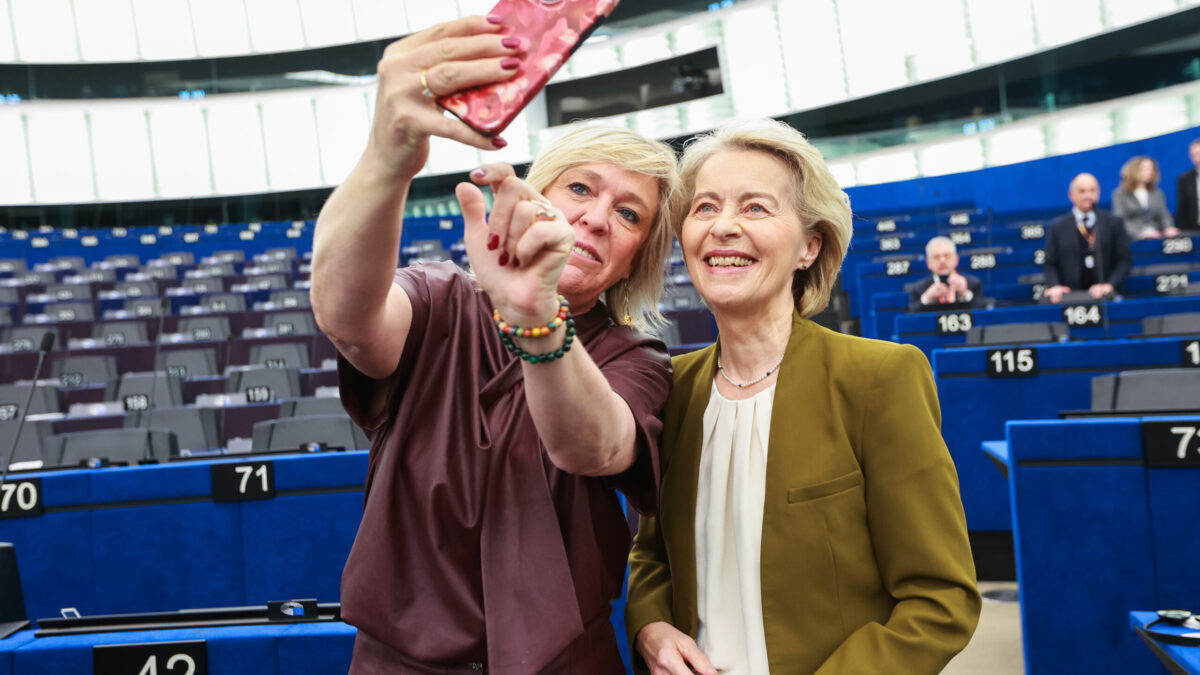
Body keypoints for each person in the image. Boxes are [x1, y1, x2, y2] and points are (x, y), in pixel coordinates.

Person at [309, 15, 684, 673]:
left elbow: (593, 445)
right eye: (580, 188)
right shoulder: (439, 298)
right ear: (535, 196)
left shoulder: (635, 356)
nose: (597, 218)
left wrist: (535, 315)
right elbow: (349, 320)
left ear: (635, 261)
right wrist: (388, 158)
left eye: (629, 214)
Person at [625, 119, 981, 675]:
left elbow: (940, 600)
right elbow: (651, 554)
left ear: (810, 247)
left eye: (755, 208)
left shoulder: (879, 378)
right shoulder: (670, 388)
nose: (723, 227)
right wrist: (650, 627)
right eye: (705, 207)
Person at [1042, 173, 1133, 304]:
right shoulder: (1058, 227)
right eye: (1082, 191)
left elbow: (1124, 260)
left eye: (1092, 190)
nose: (1088, 195)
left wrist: (1110, 285)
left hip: (1105, 295)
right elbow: (1050, 263)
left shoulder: (1113, 223)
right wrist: (1055, 286)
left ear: (1098, 193)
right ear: (1071, 195)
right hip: (1070, 296)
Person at [906, 236, 986, 311]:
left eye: (947, 256)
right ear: (928, 262)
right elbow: (910, 315)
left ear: (956, 259)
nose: (942, 261)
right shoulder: (918, 289)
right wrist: (926, 299)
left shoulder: (973, 284)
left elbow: (984, 311)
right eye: (937, 257)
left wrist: (965, 293)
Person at [1111, 156, 1178, 240]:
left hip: (1156, 235)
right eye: (1145, 169)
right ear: (1133, 170)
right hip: (1132, 238)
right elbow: (1120, 220)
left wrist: (1169, 227)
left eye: (1152, 169)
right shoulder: (1120, 194)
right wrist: (1140, 234)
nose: (1150, 172)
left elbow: (1164, 215)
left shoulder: (1157, 193)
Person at [1175, 138, 1200, 232]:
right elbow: (1182, 209)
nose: (1198, 158)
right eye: (1194, 155)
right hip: (1194, 230)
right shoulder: (1184, 179)